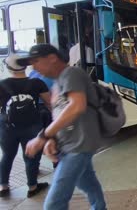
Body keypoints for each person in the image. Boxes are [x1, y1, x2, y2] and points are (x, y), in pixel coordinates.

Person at [19, 44, 106, 210]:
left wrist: (43, 136)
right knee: (88, 183)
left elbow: (77, 106)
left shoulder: (71, 74)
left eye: (36, 61)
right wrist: (53, 138)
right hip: (71, 144)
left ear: (52, 58)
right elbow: (61, 114)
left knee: (54, 204)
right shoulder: (58, 82)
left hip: (79, 145)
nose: (33, 67)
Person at [0, 54, 51, 198]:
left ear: (8, 67)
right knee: (31, 155)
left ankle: (3, 186)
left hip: (7, 127)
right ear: (25, 66)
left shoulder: (2, 84)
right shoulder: (37, 83)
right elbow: (49, 103)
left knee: (7, 156)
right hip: (32, 125)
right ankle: (33, 187)